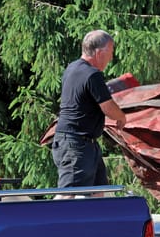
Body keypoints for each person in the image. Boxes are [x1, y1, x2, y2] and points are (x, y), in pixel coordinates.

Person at [51, 30, 127, 188]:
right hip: (75, 145)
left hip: (84, 144)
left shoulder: (72, 68)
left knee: (99, 191)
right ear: (100, 53)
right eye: (110, 52)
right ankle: (56, 208)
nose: (111, 58)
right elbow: (108, 107)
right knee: (68, 194)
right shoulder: (92, 75)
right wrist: (121, 117)